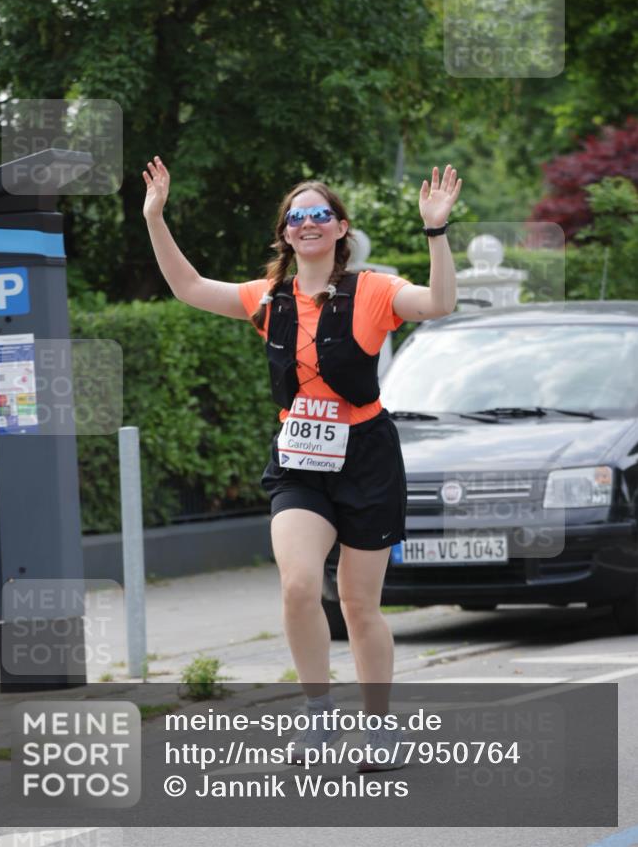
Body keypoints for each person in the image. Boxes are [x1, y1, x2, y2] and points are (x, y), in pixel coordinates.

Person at [142, 157, 462, 771]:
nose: (308, 223)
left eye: (320, 215)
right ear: (286, 233)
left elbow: (441, 302)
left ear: (340, 228)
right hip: (299, 460)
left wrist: (436, 233)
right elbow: (188, 288)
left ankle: (380, 728)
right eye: (297, 217)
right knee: (296, 587)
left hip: (366, 457)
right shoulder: (268, 299)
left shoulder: (372, 290)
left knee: (359, 604)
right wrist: (156, 218)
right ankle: (318, 716)